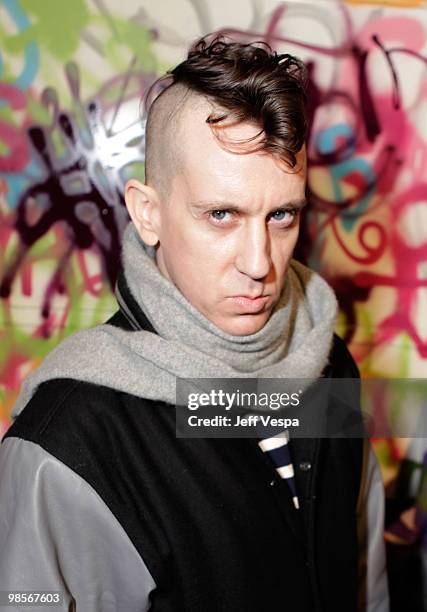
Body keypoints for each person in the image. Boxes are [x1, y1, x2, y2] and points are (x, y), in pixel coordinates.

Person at [0, 36, 389, 611]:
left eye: (281, 214)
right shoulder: (65, 441)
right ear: (147, 213)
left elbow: (364, 574)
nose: (260, 263)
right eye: (221, 215)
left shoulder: (328, 362)